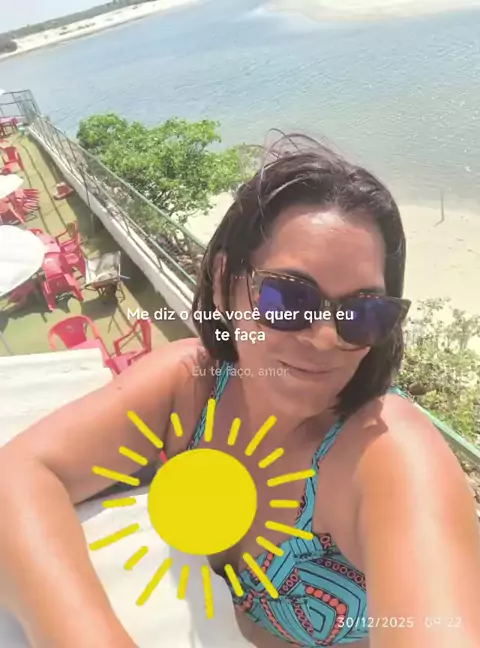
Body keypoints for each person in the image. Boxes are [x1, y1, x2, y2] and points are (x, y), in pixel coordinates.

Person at [0, 135, 479, 648]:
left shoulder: (386, 453)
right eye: (289, 298)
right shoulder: (194, 384)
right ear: (226, 284)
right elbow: (21, 473)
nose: (324, 337)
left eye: (363, 313)